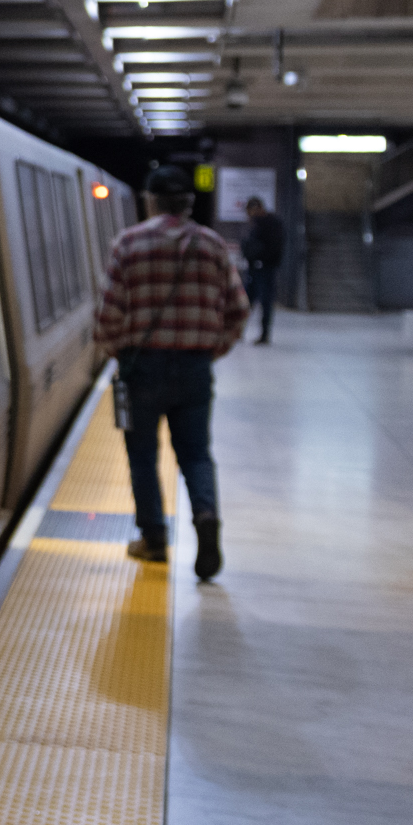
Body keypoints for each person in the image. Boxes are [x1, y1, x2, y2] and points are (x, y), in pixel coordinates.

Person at [94, 166, 250, 579]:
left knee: (142, 456)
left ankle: (154, 540)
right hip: (195, 366)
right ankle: (205, 515)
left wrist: (116, 351)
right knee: (196, 454)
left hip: (141, 366)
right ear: (189, 204)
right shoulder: (214, 245)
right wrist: (212, 350)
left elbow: (108, 314)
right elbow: (238, 309)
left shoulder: (128, 244)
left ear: (151, 201)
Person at [240, 196, 286, 345]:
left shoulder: (271, 224)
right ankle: (238, 331)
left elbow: (274, 247)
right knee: (246, 300)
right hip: (255, 267)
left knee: (266, 301)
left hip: (266, 268)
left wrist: (261, 258)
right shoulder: (257, 224)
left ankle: (265, 334)